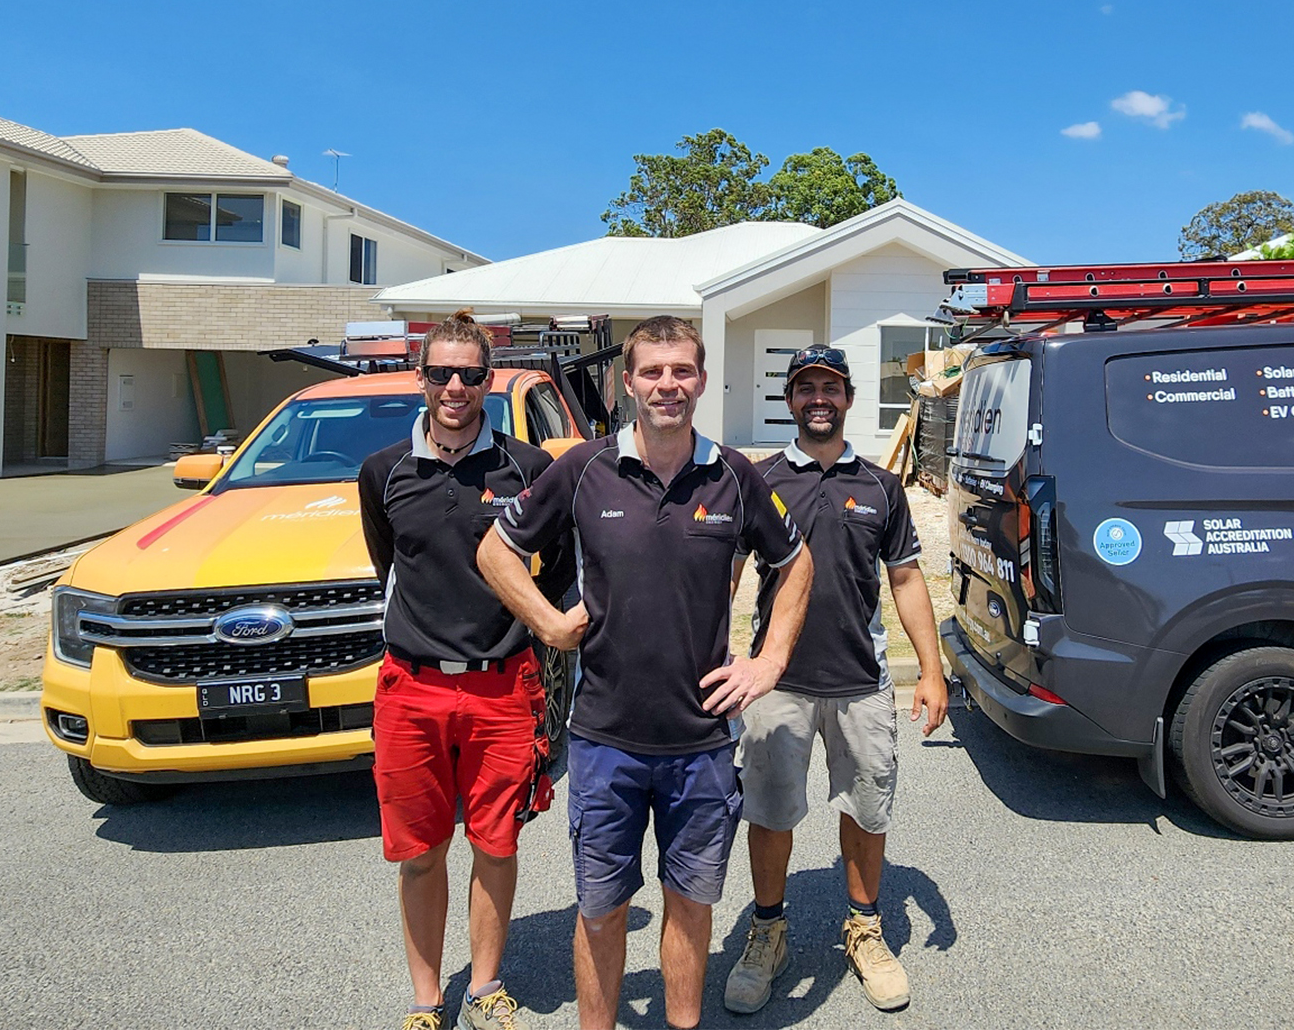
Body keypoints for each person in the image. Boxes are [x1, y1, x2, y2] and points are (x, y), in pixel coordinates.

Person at [477, 315, 814, 1030]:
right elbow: (496, 552)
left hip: (701, 744)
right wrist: (547, 622)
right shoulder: (583, 468)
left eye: (682, 371)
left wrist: (770, 660)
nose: (669, 385)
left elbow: (796, 563)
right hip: (605, 740)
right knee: (602, 913)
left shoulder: (732, 475)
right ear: (626, 382)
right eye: (653, 372)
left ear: (700, 379)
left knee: (691, 909)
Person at [722, 344, 949, 1015]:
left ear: (847, 398)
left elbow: (906, 580)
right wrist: (713, 659)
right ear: (790, 402)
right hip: (776, 685)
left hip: (861, 682)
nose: (818, 398)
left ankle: (865, 930)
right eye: (805, 388)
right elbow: (726, 575)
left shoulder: (881, 486)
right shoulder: (758, 481)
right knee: (768, 814)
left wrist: (931, 672)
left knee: (867, 811)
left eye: (830, 387)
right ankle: (768, 934)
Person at [359, 309, 554, 1030]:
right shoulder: (383, 473)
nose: (454, 387)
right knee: (420, 851)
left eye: (469, 374)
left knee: (496, 844)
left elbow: (555, 574)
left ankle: (487, 986)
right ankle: (425, 998)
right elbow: (393, 567)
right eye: (440, 372)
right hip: (410, 689)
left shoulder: (528, 472)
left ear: (488, 379)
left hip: (503, 687)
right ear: (421, 377)